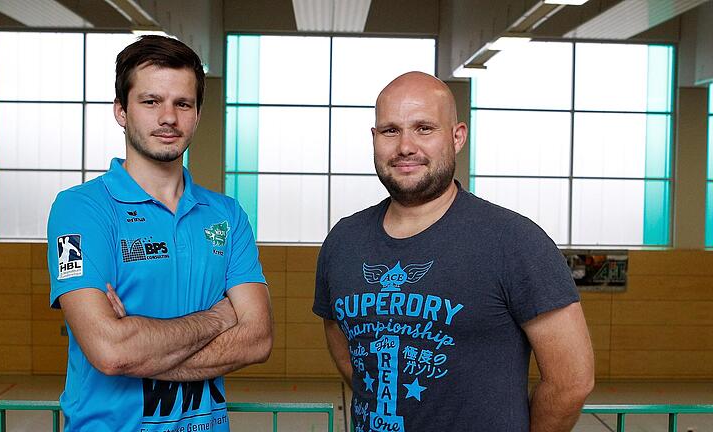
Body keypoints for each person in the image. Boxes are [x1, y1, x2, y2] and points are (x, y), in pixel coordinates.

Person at [313, 72, 593, 432]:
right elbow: (351, 355)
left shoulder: (515, 240)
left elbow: (572, 380)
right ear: (374, 138)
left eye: (424, 128)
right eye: (390, 130)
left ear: (457, 137)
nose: (405, 146)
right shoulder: (343, 242)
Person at [46, 35, 272, 432]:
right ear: (121, 110)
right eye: (151, 102)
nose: (168, 117)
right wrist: (220, 318)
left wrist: (139, 344)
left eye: (182, 104)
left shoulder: (227, 215)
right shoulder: (80, 210)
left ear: (197, 114)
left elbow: (257, 339)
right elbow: (111, 352)